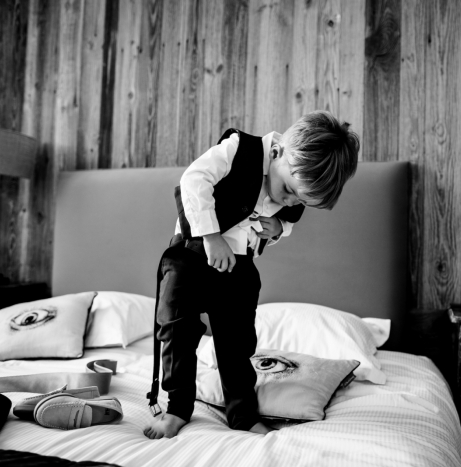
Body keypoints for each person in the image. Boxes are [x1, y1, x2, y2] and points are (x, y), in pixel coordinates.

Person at [143, 110, 359, 439]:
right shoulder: (238, 149)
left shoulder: (289, 187)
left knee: (237, 342)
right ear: (277, 152)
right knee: (177, 330)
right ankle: (177, 408)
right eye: (288, 189)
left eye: (299, 200)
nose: (288, 200)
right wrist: (211, 237)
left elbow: (281, 220)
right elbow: (193, 180)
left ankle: (242, 413)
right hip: (191, 254)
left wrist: (279, 228)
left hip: (239, 266)